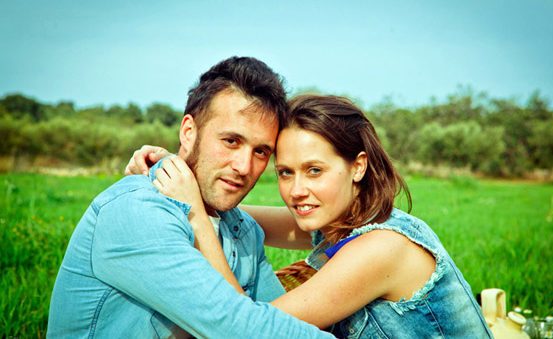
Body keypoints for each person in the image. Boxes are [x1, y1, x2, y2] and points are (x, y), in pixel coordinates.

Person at [130, 95, 493, 338]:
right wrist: (178, 170)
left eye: (314, 170)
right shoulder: (341, 223)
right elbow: (228, 211)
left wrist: (194, 215)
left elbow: (253, 330)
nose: (296, 190)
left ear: (358, 167)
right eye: (286, 172)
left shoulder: (381, 248)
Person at [47, 57, 333, 338]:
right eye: (231, 141)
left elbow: (273, 318)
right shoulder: (137, 212)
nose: (244, 167)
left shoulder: (243, 231)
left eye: (260, 151)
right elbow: (236, 327)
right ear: (188, 132)